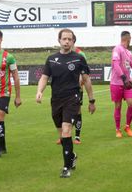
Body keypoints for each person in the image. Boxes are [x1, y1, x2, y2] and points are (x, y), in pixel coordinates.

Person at [36, 28, 95, 178]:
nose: (67, 41)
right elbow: (44, 77)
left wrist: (91, 100)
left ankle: (66, 167)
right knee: (63, 136)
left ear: (73, 41)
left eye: (70, 39)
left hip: (73, 98)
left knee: (67, 130)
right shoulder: (51, 59)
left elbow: (87, 80)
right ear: (59, 41)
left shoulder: (79, 58)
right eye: (64, 39)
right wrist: (39, 91)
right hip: (56, 99)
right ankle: (72, 156)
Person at [0, 29, 22, 158]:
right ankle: (2, 146)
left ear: (1, 39)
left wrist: (18, 96)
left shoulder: (9, 57)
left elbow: (16, 76)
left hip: (4, 92)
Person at [110, 31, 132, 138]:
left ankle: (127, 126)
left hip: (127, 84)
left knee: (131, 104)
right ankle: (117, 129)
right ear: (128, 39)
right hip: (117, 83)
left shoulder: (128, 53)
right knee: (118, 105)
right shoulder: (117, 49)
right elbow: (115, 64)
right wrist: (124, 78)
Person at [72, 46, 95, 144]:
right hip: (65, 89)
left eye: (70, 39)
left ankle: (77, 137)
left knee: (77, 111)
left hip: (77, 89)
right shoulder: (63, 54)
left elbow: (84, 73)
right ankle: (63, 135)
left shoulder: (80, 54)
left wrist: (80, 79)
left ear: (73, 41)